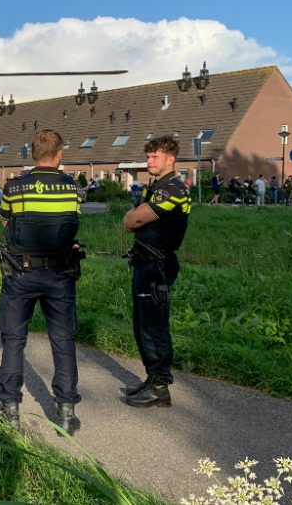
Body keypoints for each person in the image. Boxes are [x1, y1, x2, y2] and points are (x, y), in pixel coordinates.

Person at [0, 129, 85, 434]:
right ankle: (65, 413)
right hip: (60, 276)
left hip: (20, 273)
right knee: (62, 341)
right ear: (60, 155)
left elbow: (7, 222)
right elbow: (73, 223)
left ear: (32, 154)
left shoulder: (14, 187)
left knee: (13, 341)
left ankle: (10, 412)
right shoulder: (72, 188)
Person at [121, 135, 191, 408]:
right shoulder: (160, 186)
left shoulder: (171, 190)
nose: (149, 161)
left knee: (154, 325)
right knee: (143, 324)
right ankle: (152, 379)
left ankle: (160, 386)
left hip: (156, 267)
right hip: (147, 263)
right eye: (148, 156)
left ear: (170, 159)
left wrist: (133, 214)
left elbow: (131, 220)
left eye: (155, 157)